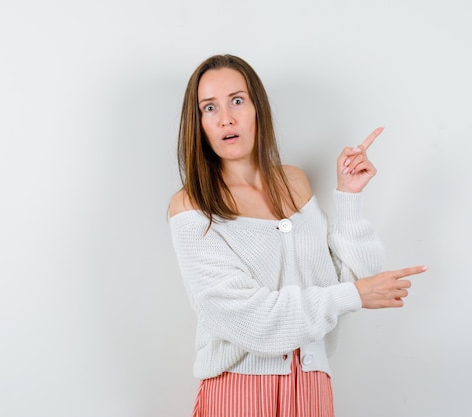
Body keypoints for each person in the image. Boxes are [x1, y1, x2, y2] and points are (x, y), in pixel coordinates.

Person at [168, 54, 426, 417]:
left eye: (237, 101)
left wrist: (348, 196)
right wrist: (354, 294)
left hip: (312, 387)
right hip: (239, 393)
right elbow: (252, 320)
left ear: (258, 108)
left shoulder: (294, 182)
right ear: (198, 123)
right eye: (209, 107)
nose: (226, 117)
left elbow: (354, 280)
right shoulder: (192, 207)